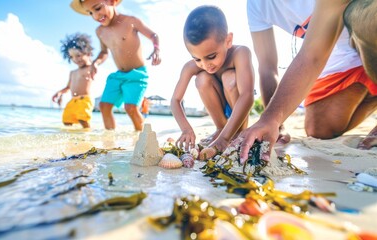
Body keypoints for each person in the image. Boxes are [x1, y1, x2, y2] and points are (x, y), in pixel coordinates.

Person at [238, 0, 377, 163]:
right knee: (319, 128)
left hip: (368, 36)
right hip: (345, 58)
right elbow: (309, 57)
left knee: (364, 19)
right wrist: (273, 120)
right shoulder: (257, 4)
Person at [171, 5, 255, 152]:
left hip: (239, 108)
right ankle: (220, 128)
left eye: (211, 57)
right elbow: (175, 100)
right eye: (197, 59)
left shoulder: (240, 53)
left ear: (228, 40)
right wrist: (186, 129)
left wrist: (224, 139)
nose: (205, 64)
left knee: (229, 77)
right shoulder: (192, 67)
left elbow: (247, 96)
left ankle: (236, 134)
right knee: (202, 78)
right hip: (220, 109)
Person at [70, 0, 161, 131]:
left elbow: (153, 35)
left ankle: (145, 138)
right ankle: (110, 141)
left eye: (97, 8)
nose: (95, 16)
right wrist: (95, 63)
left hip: (137, 74)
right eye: (90, 13)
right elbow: (103, 52)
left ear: (112, 1)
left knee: (130, 108)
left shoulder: (130, 21)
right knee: (104, 106)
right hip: (118, 75)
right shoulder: (100, 31)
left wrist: (156, 49)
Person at [52, 33, 94, 129]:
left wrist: (91, 62)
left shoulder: (90, 68)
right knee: (67, 121)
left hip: (85, 100)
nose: (75, 59)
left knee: (83, 119)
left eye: (78, 55)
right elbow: (68, 87)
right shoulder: (72, 72)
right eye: (72, 57)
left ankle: (88, 135)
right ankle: (72, 140)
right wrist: (59, 93)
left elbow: (94, 64)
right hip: (73, 101)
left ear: (88, 54)